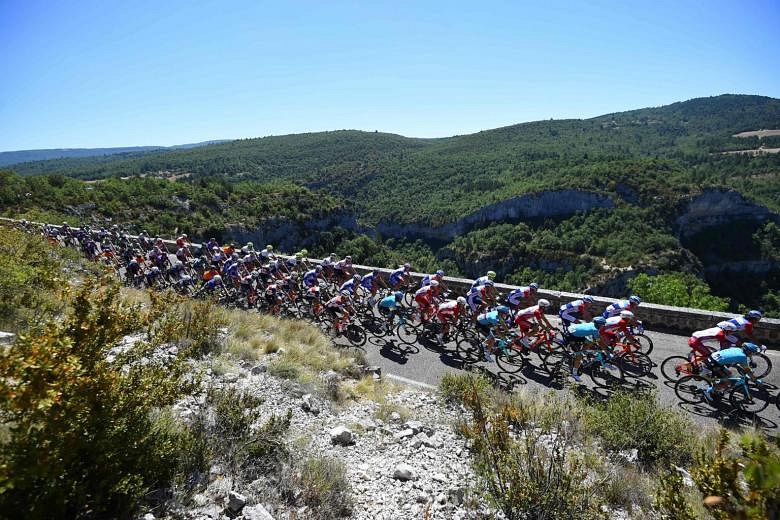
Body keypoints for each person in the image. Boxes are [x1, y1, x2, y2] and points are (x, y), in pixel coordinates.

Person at [566, 317, 607, 382]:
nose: (603, 326)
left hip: (575, 332)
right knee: (579, 356)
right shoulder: (595, 329)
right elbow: (600, 342)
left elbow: (594, 338)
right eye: (603, 325)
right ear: (599, 324)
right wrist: (606, 349)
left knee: (590, 342)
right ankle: (574, 373)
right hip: (572, 336)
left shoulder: (592, 324)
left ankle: (582, 352)